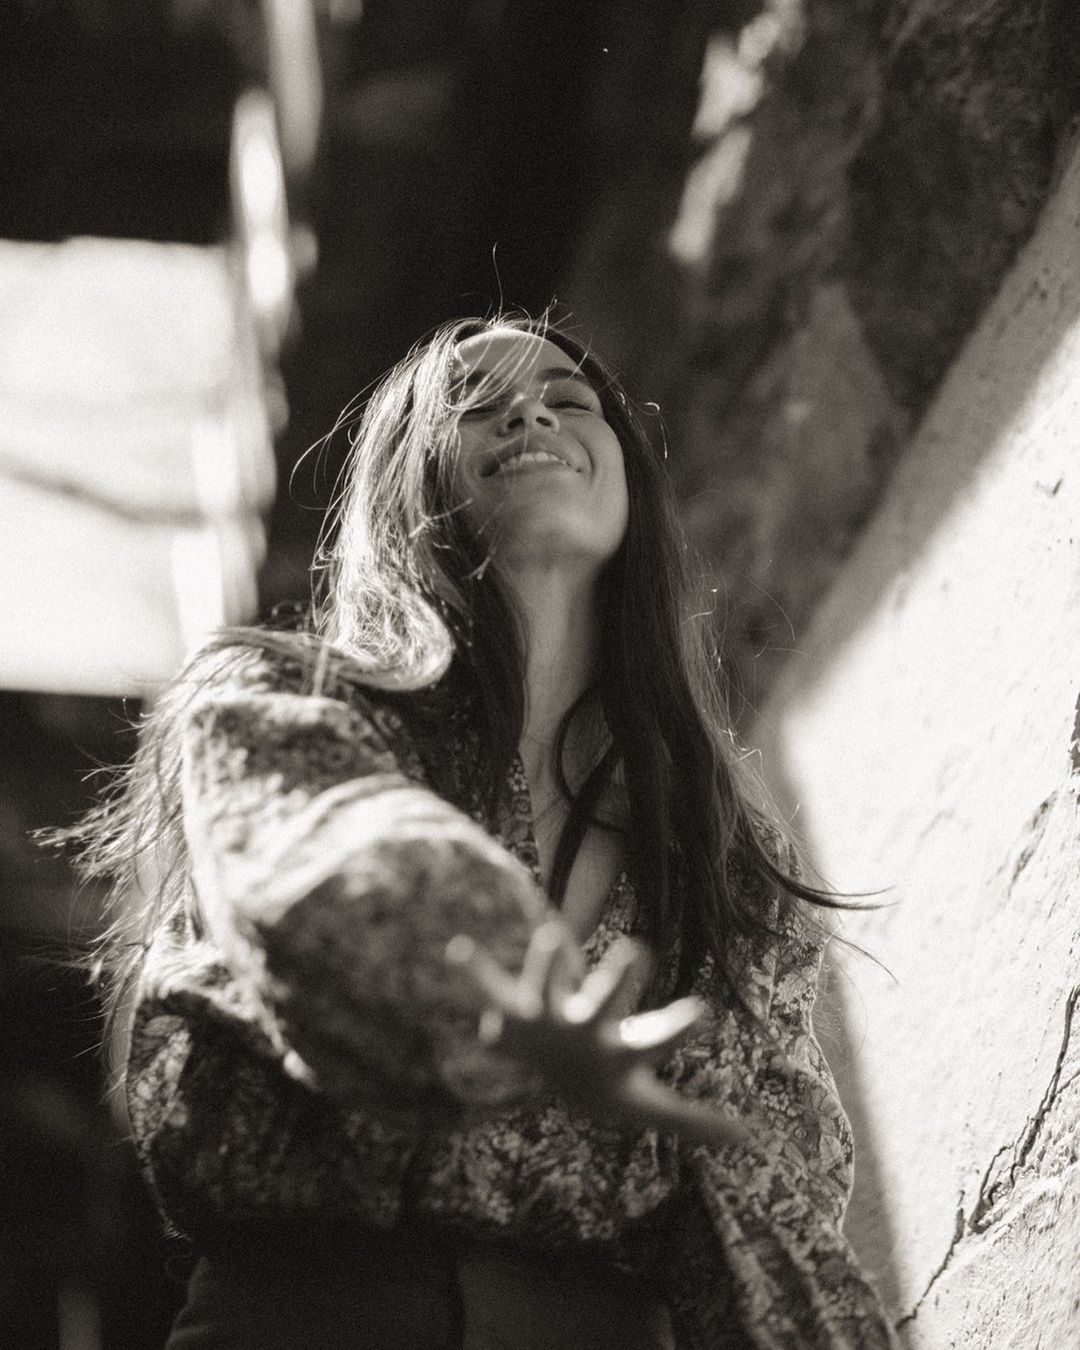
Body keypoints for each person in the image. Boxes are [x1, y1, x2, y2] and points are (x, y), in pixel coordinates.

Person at [73, 316, 896, 1347]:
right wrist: (488, 995)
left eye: (570, 396)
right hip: (315, 1312)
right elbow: (334, 861)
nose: (530, 411)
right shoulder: (275, 698)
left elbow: (773, 1191)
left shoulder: (721, 849)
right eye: (474, 402)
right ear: (407, 484)